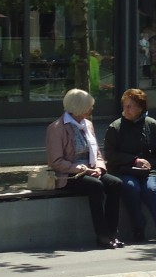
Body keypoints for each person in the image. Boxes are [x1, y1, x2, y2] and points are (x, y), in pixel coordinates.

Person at [44, 88, 125, 249]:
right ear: (78, 107)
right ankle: (102, 236)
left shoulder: (88, 124)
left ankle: (111, 233)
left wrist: (100, 168)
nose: (92, 109)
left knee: (115, 183)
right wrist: (80, 168)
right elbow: (55, 161)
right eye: (89, 106)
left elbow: (97, 152)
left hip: (90, 169)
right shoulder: (56, 128)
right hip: (69, 174)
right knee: (96, 186)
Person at [104, 88, 156, 243]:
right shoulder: (115, 128)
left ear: (140, 108)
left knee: (151, 189)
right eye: (125, 105)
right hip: (126, 169)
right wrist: (133, 160)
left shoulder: (152, 125)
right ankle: (138, 226)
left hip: (151, 170)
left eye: (130, 106)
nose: (126, 109)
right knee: (131, 187)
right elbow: (110, 155)